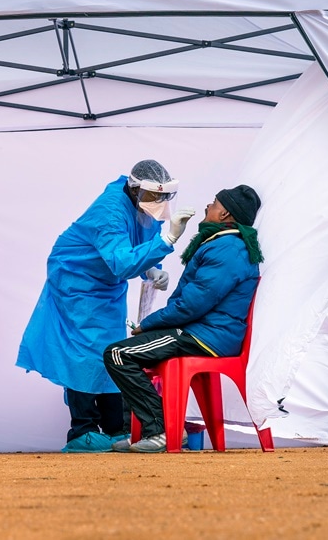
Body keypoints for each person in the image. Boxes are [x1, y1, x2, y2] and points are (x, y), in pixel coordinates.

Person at [16, 160, 196, 452]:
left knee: (112, 349)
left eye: (164, 197)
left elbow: (137, 245)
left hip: (108, 282)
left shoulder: (142, 205)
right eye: (153, 196)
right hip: (76, 280)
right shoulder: (110, 210)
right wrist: (168, 239)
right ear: (134, 188)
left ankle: (114, 428)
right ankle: (82, 430)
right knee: (83, 352)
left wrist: (151, 269)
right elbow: (122, 260)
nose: (159, 203)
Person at [104, 185, 262, 453]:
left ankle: (160, 431)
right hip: (203, 332)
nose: (207, 207)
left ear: (225, 214)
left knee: (118, 354)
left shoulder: (227, 249)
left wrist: (148, 324)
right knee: (131, 354)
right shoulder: (226, 245)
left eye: (213, 203)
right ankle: (154, 429)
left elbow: (193, 304)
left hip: (204, 335)